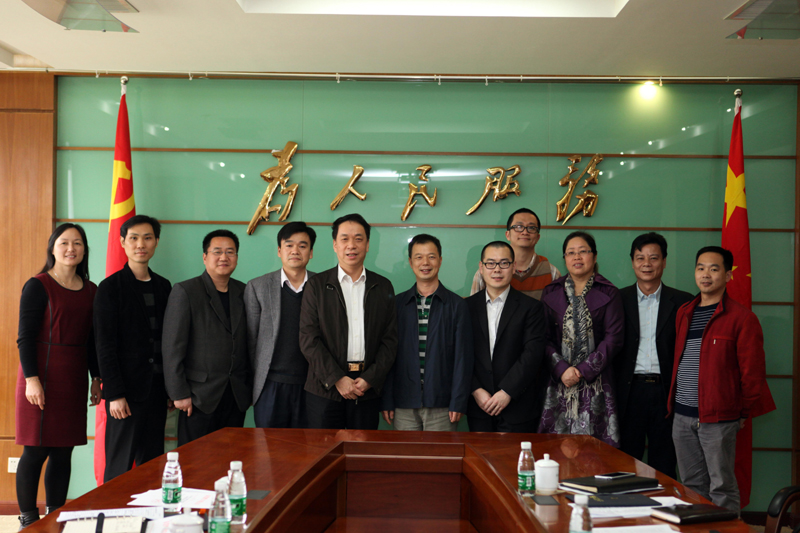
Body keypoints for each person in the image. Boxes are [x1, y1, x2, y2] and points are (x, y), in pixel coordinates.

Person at [668, 246, 770, 512]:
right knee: (691, 485)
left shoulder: (742, 318)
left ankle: (726, 530)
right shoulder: (684, 312)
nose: (706, 274)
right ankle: (699, 530)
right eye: (700, 268)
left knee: (721, 486)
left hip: (718, 418)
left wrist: (742, 412)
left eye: (714, 269)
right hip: (682, 414)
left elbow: (752, 373)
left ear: (728, 276)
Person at [15, 224, 101, 528]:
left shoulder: (91, 290)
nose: (70, 249)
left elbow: (93, 341)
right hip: (40, 376)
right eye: (64, 242)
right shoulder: (37, 285)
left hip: (73, 377)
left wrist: (96, 378)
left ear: (84, 250)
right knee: (35, 450)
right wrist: (32, 379)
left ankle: (55, 516)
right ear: (53, 247)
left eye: (77, 243)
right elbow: (25, 337)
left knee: (64, 451)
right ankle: (28, 519)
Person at [299, 213, 397, 430]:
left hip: (366, 389)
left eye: (358, 239)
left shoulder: (383, 287)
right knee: (324, 449)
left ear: (368, 245)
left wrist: (370, 379)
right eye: (344, 239)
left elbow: (390, 341)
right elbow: (308, 339)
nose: (351, 245)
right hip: (324, 387)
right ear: (335, 245)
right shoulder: (316, 285)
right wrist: (336, 378)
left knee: (362, 449)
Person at [95, 215, 172, 482]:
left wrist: (171, 389)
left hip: (157, 392)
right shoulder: (110, 288)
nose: (141, 244)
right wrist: (115, 394)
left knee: (152, 468)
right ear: (122, 242)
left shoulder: (164, 286)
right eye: (134, 238)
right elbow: (104, 345)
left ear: (156, 242)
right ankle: (111, 511)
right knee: (119, 469)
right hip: (125, 395)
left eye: (148, 238)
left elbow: (169, 342)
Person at [614, 233, 692, 478]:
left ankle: (664, 503)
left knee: (665, 464)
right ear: (632, 262)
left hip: (666, 392)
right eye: (640, 258)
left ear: (664, 261)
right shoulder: (617, 299)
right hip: (629, 392)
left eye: (654, 258)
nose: (646, 263)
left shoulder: (683, 302)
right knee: (626, 464)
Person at [163, 230, 251, 446]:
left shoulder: (244, 291)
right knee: (197, 460)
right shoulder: (186, 291)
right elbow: (172, 347)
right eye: (217, 252)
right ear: (205, 257)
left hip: (235, 395)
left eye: (230, 252)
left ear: (237, 257)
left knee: (232, 457)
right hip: (197, 397)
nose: (224, 257)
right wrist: (178, 393)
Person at [539, 231, 623, 447]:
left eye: (583, 251)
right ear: (565, 258)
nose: (577, 257)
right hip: (558, 382)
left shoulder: (609, 292)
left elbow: (613, 338)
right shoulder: (550, 292)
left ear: (594, 257)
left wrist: (582, 371)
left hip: (597, 383)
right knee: (555, 449)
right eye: (571, 253)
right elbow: (543, 338)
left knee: (596, 452)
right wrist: (562, 369)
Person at [381, 234, 473, 431]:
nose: (425, 263)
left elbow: (463, 359)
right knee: (405, 452)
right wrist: (387, 399)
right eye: (419, 257)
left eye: (431, 257)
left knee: (440, 452)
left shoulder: (457, 305)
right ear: (410, 262)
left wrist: (458, 401)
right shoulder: (397, 304)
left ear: (440, 260)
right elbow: (387, 356)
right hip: (404, 402)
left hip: (443, 404)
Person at [465, 241, 546, 432]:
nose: (497, 269)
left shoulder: (532, 308)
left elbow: (532, 354)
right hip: (479, 405)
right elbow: (460, 353)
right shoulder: (466, 307)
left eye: (504, 263)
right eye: (490, 263)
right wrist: (475, 390)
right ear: (481, 267)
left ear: (514, 266)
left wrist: (507, 391)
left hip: (518, 406)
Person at [245, 222, 316, 428]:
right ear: (279, 251)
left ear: (311, 253)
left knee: (309, 444)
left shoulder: (322, 286)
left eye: (302, 246)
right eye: (289, 245)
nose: (295, 251)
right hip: (270, 384)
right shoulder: (257, 287)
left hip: (312, 384)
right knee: (268, 445)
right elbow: (250, 341)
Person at [470, 208, 560, 300]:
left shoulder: (552, 272)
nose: (525, 232)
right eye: (518, 227)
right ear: (507, 235)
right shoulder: (487, 271)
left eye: (531, 228)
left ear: (537, 237)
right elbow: (474, 304)